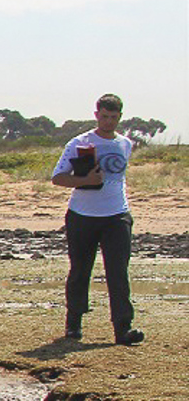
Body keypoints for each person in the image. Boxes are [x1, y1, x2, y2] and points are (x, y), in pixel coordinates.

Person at [50, 94, 144, 345]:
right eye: (104, 116)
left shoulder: (125, 143)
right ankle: (74, 324)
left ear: (120, 117)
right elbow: (58, 177)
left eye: (113, 117)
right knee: (80, 270)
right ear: (96, 115)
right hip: (83, 216)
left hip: (117, 215)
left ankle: (123, 328)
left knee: (118, 272)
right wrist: (85, 181)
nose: (108, 122)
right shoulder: (80, 142)